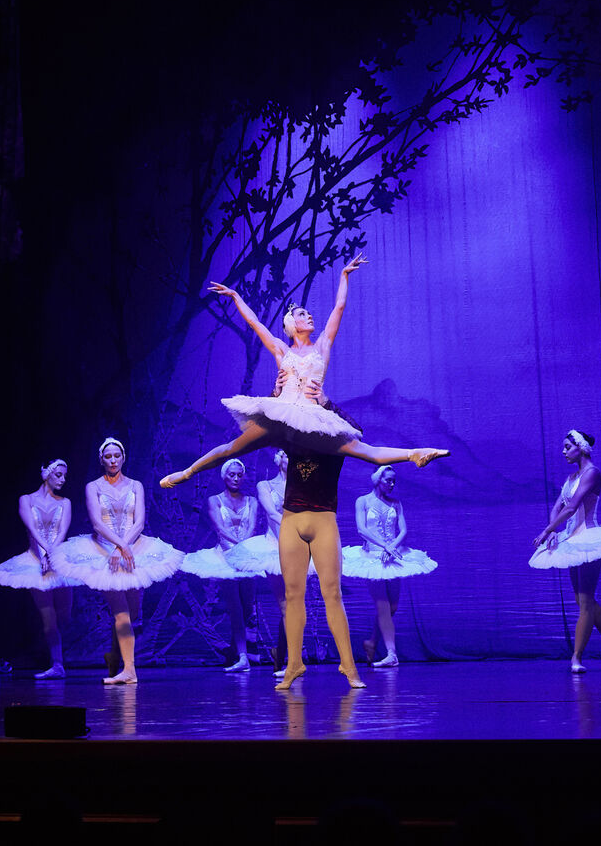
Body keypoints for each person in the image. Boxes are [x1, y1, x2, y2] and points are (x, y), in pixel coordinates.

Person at [158, 253, 447, 489]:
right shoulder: (281, 350)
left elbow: (339, 308)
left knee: (362, 450)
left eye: (309, 314)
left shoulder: (322, 346)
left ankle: (414, 454)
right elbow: (255, 323)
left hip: (311, 417)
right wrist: (235, 296)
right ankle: (187, 472)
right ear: (290, 324)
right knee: (232, 448)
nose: (309, 316)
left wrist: (344, 276)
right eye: (302, 314)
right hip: (280, 413)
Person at [53, 438, 183, 684]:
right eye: (108, 456)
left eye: (116, 456)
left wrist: (124, 546)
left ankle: (114, 656)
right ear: (101, 460)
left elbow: (139, 522)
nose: (113, 460)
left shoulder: (136, 485)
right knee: (121, 613)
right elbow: (97, 523)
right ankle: (130, 671)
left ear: (123, 458)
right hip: (103, 551)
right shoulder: (94, 487)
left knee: (131, 614)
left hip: (133, 547)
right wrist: (117, 546)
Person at [530, 430, 601, 674]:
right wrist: (553, 530)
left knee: (585, 601)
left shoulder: (592, 473)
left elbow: (572, 507)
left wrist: (546, 530)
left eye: (567, 447)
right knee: (583, 600)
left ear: (580, 448)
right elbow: (558, 506)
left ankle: (576, 657)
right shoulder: (572, 477)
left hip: (590, 538)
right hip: (572, 539)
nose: (563, 451)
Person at [270, 440, 367, 690]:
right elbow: (234, 447)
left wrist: (412, 454)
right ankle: (293, 664)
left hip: (323, 521)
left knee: (332, 593)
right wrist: (190, 471)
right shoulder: (291, 437)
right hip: (291, 523)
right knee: (292, 595)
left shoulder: (334, 440)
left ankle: (349, 666)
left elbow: (374, 453)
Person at [224, 449, 316, 677]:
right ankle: (293, 662)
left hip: (299, 546)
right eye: (287, 455)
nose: (291, 459)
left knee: (295, 605)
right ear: (279, 459)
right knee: (286, 606)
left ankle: (280, 653)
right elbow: (272, 513)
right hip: (273, 548)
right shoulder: (264, 485)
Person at [0, 459, 79, 679]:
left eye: (65, 476)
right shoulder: (26, 500)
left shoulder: (65, 502)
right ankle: (57, 664)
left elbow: (62, 531)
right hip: (34, 561)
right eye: (58, 475)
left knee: (65, 616)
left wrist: (51, 555)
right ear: (47, 474)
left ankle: (52, 652)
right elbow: (32, 529)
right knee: (48, 617)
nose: (63, 480)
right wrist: (44, 555)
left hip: (58, 559)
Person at [342, 466, 438, 668]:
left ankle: (371, 642)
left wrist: (391, 546)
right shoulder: (363, 501)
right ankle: (391, 654)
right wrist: (384, 546)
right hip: (372, 557)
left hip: (393, 555)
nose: (392, 484)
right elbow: (361, 529)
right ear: (378, 479)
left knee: (392, 606)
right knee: (383, 605)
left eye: (394, 481)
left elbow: (403, 530)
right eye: (388, 480)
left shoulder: (396, 503)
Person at [180, 458, 265, 671]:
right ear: (224, 476)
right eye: (231, 474)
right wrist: (236, 548)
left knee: (247, 607)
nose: (236, 478)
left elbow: (252, 528)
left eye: (239, 475)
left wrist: (243, 549)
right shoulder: (214, 500)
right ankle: (243, 657)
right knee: (235, 607)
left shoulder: (252, 501)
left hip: (247, 555)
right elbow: (220, 528)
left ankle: (241, 651)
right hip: (224, 557)